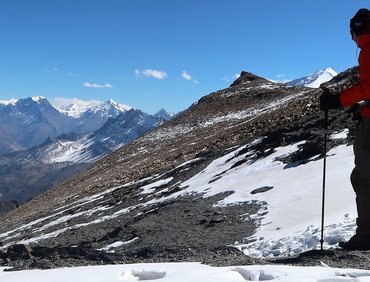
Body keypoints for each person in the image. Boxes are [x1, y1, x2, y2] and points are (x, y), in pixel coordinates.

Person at [320, 8, 370, 250]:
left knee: (364, 178)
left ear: (359, 28)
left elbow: (368, 87)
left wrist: (338, 100)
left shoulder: (369, 50)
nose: (351, 38)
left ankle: (367, 236)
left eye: (352, 32)